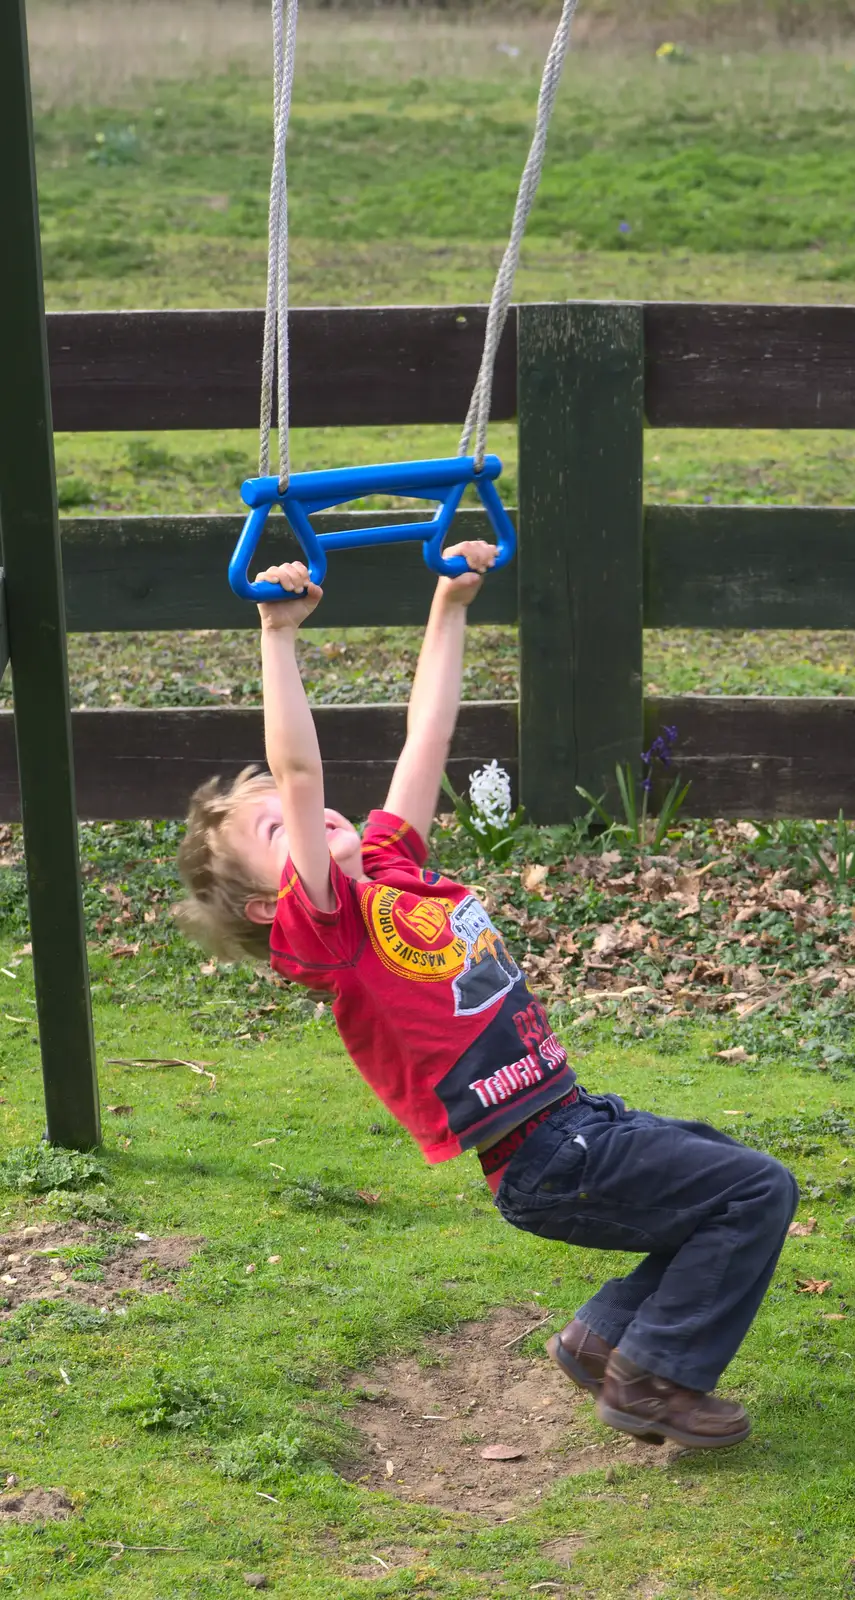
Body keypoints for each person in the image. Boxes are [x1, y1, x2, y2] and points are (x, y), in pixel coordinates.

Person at [176, 544, 799, 1450]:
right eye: (278, 828)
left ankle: (604, 1341)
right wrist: (276, 636)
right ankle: (651, 1382)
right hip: (546, 1152)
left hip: (574, 1122)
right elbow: (302, 774)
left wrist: (450, 604)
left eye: (288, 806)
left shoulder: (388, 867)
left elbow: (425, 736)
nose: (308, 813)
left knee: (719, 1190)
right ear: (272, 900)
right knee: (752, 1191)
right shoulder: (327, 925)